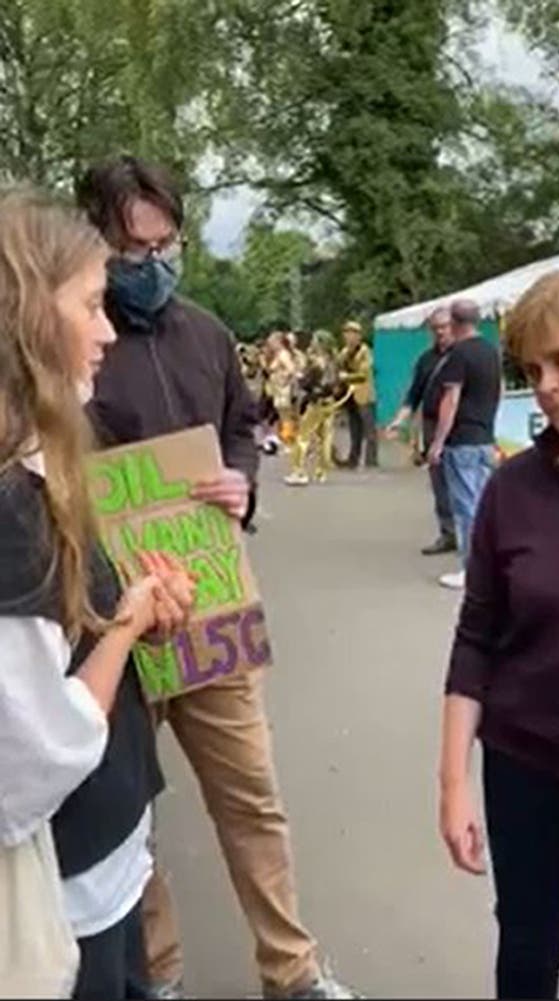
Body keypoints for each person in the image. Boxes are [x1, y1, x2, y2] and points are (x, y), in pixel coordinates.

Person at [77, 155, 359, 1001]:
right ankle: (156, 971)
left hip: (213, 614)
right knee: (132, 815)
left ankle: (292, 969)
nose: (153, 263)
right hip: (111, 624)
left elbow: (243, 428)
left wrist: (243, 480)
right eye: (133, 248)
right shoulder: (69, 341)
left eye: (168, 244)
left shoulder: (204, 333)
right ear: (93, 241)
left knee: (252, 799)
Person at [0, 190, 194, 999]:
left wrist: (135, 612)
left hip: (104, 847)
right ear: (29, 318)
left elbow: (67, 630)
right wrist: (127, 627)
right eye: (91, 305)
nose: (109, 329)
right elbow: (33, 751)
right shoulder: (12, 502)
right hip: (66, 877)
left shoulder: (41, 467)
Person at [439, 268, 559, 1000]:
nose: (546, 384)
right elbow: (476, 638)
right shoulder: (511, 489)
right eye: (532, 368)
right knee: (526, 944)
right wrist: (453, 782)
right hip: (527, 766)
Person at [427, 300, 501, 589]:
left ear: (455, 323)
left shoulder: (459, 354)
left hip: (463, 440)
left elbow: (451, 399)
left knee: (465, 506)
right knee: (484, 504)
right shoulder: (490, 351)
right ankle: (491, 565)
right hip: (485, 437)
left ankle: (472, 569)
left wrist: (438, 442)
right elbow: (499, 389)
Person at [388, 308, 456, 555]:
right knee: (439, 481)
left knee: (464, 482)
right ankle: (448, 534)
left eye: (445, 326)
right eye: (436, 328)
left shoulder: (464, 356)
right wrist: (400, 420)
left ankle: (471, 536)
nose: (440, 332)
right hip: (431, 423)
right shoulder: (426, 359)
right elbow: (414, 395)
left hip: (461, 425)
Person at [284, 331, 352, 487]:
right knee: (325, 436)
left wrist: (300, 378)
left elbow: (307, 383)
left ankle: (298, 471)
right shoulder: (334, 361)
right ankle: (321, 471)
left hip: (316, 402)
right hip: (329, 402)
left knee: (303, 435)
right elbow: (337, 382)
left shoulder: (316, 363)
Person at [338, 321, 378, 469]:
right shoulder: (343, 352)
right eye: (346, 333)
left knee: (369, 430)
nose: (348, 337)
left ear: (358, 336)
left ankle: (371, 460)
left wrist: (346, 377)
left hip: (365, 394)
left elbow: (363, 373)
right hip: (350, 396)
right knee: (354, 429)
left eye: (352, 333)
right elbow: (338, 367)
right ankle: (353, 459)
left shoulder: (365, 352)